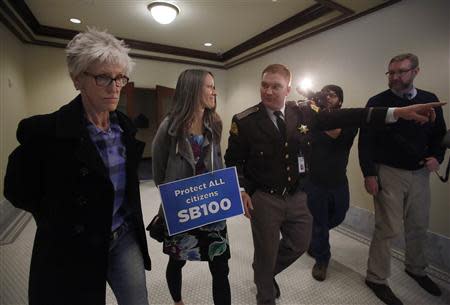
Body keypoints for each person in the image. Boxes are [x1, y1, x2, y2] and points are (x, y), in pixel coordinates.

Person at [224, 63, 444, 305]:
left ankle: (265, 272)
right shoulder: (245, 120)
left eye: (275, 86)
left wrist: (396, 113)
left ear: (287, 89)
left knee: (301, 243)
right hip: (264, 197)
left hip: (298, 195)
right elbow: (234, 160)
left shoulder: (304, 112)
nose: (268, 91)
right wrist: (242, 190)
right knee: (266, 252)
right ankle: (265, 294)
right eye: (264, 85)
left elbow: (349, 115)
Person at [3, 29, 151, 305]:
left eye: (120, 77)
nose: (114, 86)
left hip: (122, 238)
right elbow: (17, 191)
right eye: (103, 77)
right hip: (74, 247)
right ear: (77, 79)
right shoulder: (47, 132)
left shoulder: (125, 129)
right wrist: (61, 220)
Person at [358, 53, 446, 305]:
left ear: (415, 72)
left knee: (418, 224)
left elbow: (439, 134)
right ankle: (376, 278)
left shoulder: (430, 100)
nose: (395, 77)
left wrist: (436, 157)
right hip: (388, 172)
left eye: (401, 72)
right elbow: (366, 141)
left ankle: (416, 268)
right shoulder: (377, 102)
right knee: (388, 228)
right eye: (391, 72)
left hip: (420, 173)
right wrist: (369, 173)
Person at [152, 69, 232, 305]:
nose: (214, 91)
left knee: (221, 266)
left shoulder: (214, 122)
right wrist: (180, 196)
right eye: (209, 86)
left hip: (212, 208)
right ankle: (178, 302)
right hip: (182, 209)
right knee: (177, 261)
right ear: (193, 89)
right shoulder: (169, 127)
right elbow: (158, 173)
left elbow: (219, 160)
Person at [304, 84, 357, 281]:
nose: (327, 97)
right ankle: (322, 259)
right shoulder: (312, 119)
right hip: (315, 181)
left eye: (332, 95)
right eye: (324, 94)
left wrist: (317, 111)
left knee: (339, 215)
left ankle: (314, 237)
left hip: (338, 181)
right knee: (320, 222)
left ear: (340, 101)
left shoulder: (349, 121)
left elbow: (335, 133)